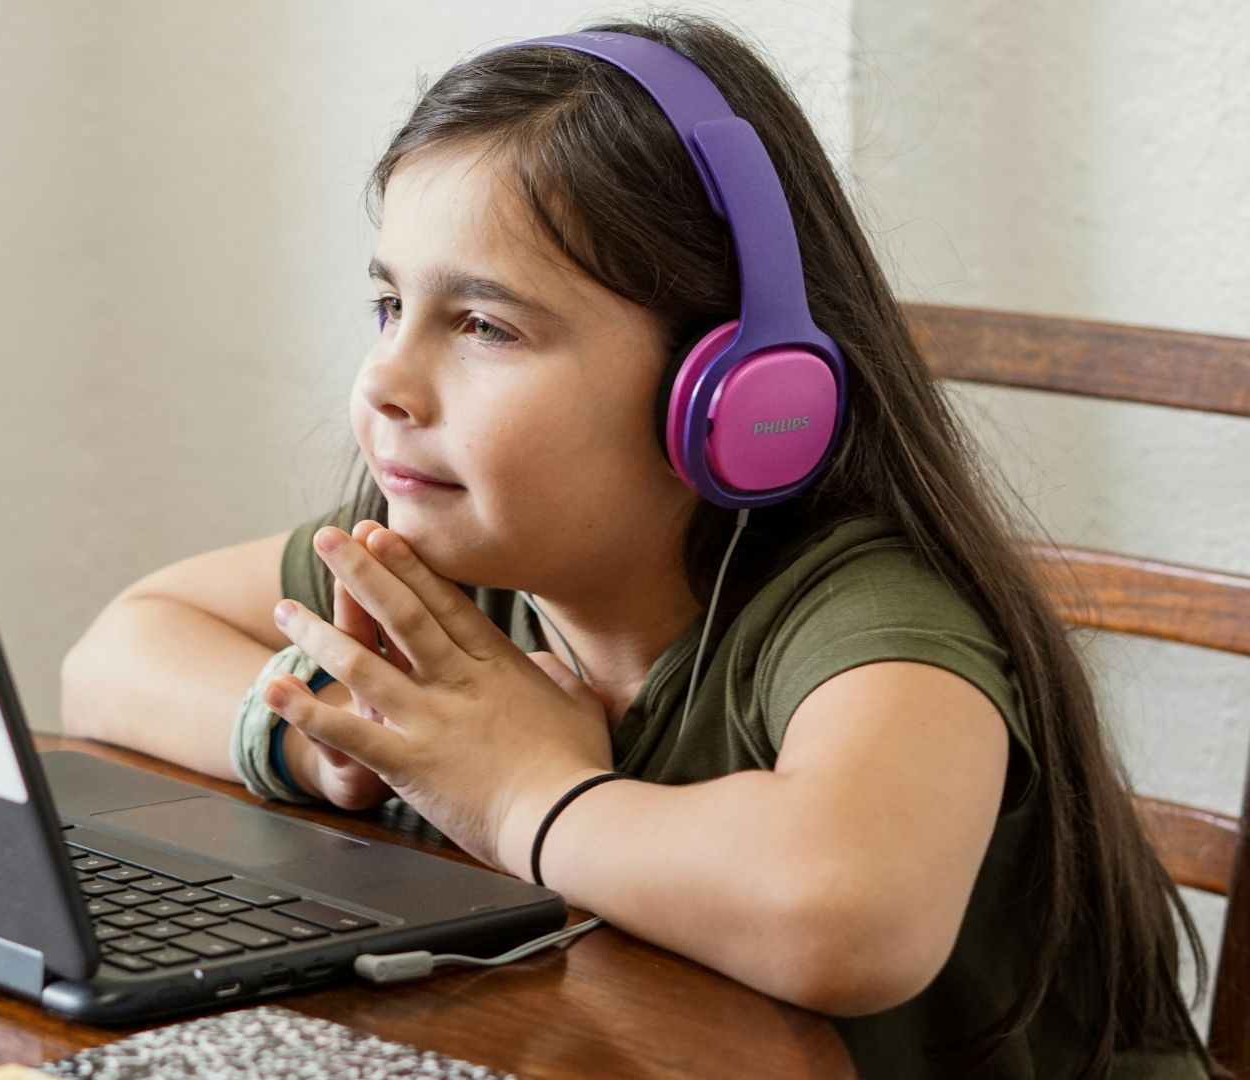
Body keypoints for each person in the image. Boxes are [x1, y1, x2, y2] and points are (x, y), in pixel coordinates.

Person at [59, 14, 1208, 1078]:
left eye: (483, 326)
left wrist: (521, 795)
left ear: (735, 396)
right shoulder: (444, 561)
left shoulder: (853, 614)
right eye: (386, 307)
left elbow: (849, 915)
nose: (384, 382)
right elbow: (114, 654)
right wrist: (330, 748)